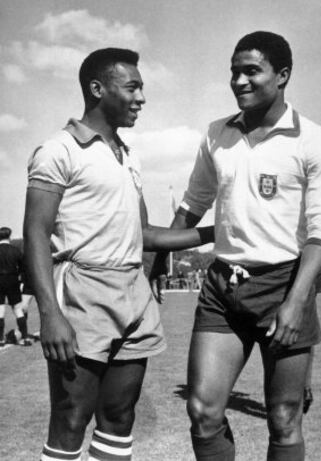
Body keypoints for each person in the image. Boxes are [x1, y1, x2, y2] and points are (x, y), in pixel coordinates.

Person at [151, 31, 321, 461]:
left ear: (283, 75)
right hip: (223, 285)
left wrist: (295, 301)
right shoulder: (217, 134)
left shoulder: (313, 139)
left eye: (251, 71)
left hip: (285, 284)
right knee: (202, 411)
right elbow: (192, 205)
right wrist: (154, 265)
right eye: (234, 72)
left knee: (284, 417)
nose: (239, 81)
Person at [23, 48, 213, 461]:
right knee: (71, 418)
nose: (142, 97)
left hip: (134, 291)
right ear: (97, 89)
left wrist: (218, 231)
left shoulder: (129, 156)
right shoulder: (59, 149)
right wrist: (51, 314)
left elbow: (145, 234)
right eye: (132, 87)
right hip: (82, 291)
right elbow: (35, 233)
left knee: (119, 417)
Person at [0, 226, 32, 347]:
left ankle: (1, 339)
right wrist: (21, 282)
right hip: (13, 280)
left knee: (0, 310)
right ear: (9, 236)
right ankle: (25, 338)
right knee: (18, 309)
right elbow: (23, 268)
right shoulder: (15, 250)